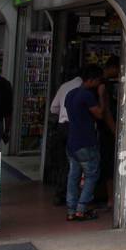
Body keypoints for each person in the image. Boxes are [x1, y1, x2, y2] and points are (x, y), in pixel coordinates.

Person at [64, 65, 105, 221]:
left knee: (73, 176)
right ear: (92, 80)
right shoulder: (87, 96)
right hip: (86, 141)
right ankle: (81, 209)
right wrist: (101, 95)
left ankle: (71, 210)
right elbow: (100, 114)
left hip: (72, 141)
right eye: (98, 81)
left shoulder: (70, 94)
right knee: (91, 175)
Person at [48, 67, 83, 205]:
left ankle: (60, 193)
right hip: (74, 127)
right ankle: (73, 196)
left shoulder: (64, 86)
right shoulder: (82, 87)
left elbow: (53, 108)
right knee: (76, 163)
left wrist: (63, 113)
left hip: (62, 127)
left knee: (63, 162)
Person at [94, 56, 120, 207]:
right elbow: (107, 112)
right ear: (113, 67)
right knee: (109, 165)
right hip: (107, 132)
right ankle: (111, 199)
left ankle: (110, 198)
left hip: (102, 131)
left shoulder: (102, 84)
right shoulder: (104, 86)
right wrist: (115, 131)